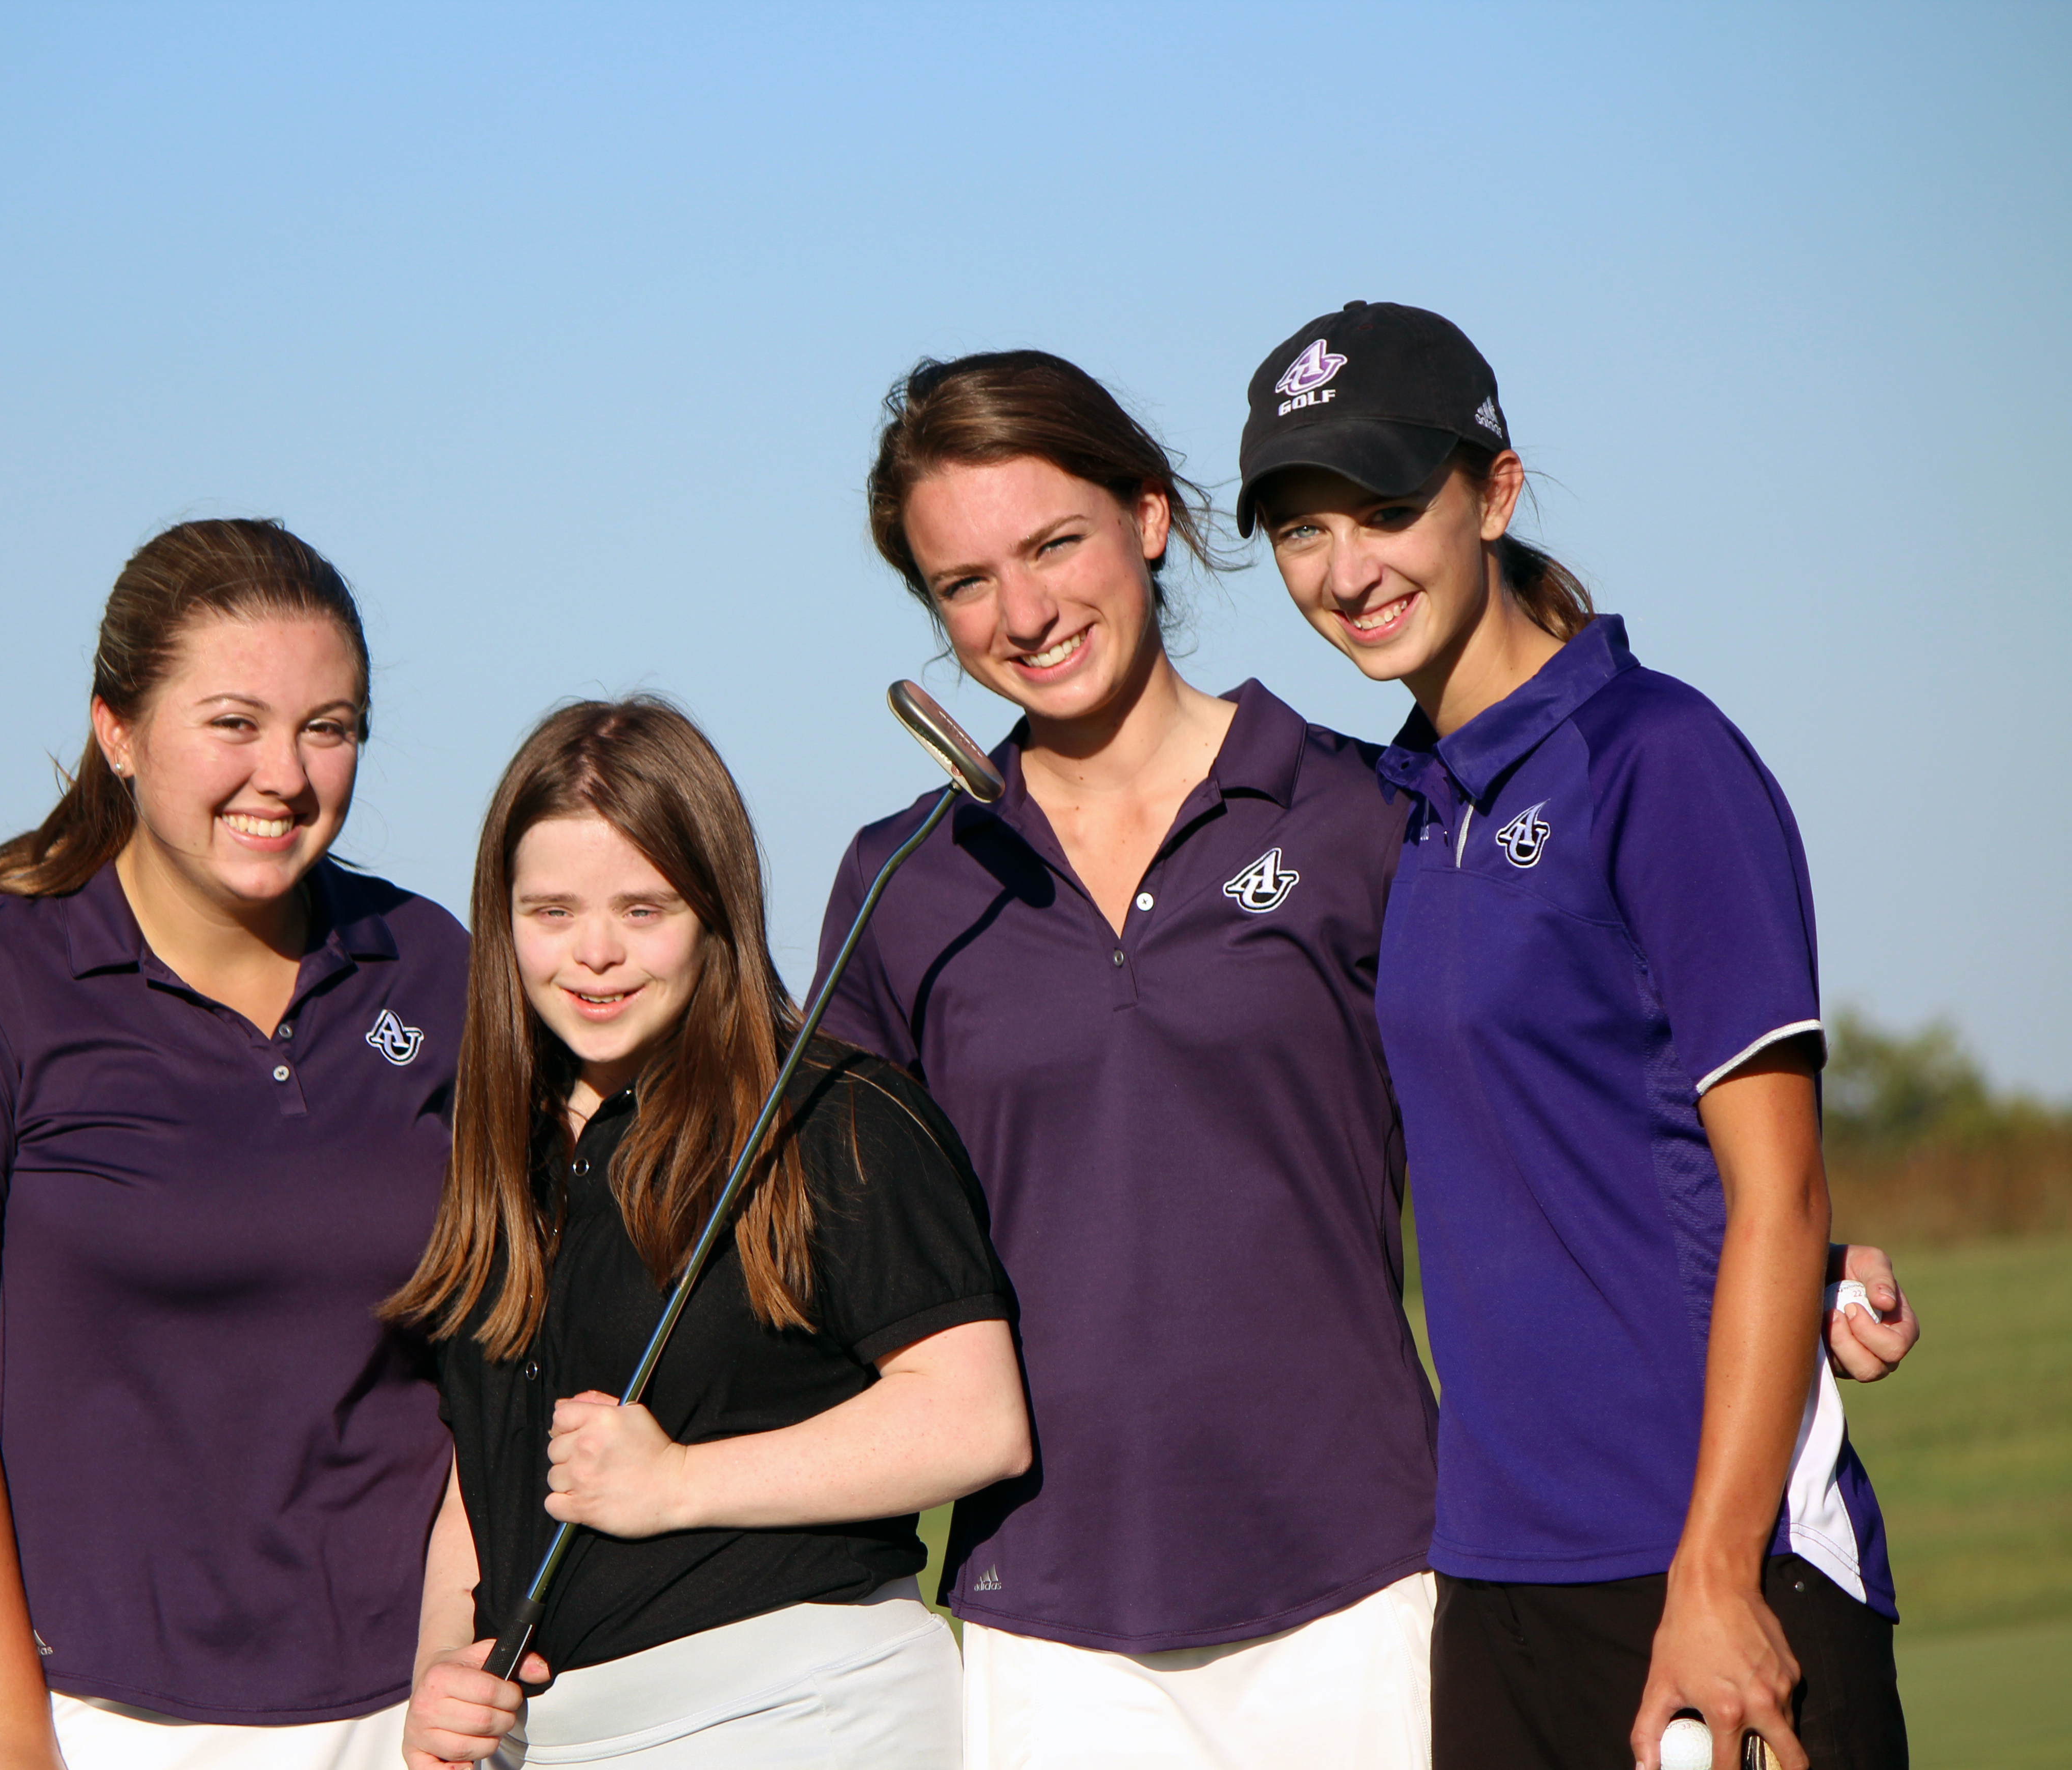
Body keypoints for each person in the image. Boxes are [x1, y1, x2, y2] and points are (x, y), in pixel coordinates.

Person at [816, 350, 1920, 1770]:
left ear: (1152, 519)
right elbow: (837, 1252)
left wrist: (1807, 1257)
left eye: (1053, 544)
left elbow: (1570, 1074)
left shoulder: (1370, 808)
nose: (1023, 612)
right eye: (964, 583)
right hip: (1051, 1615)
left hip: (1369, 1583)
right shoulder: (906, 881)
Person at [1239, 300, 1911, 1770]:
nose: (1346, 573)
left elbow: (1776, 1193)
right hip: (1491, 1578)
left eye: (1387, 509)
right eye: (1299, 531)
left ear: (1496, 490)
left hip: (1711, 1564)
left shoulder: (1660, 759)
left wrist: (1719, 1574)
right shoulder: (1403, 812)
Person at [0, 519, 465, 1770]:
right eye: (234, 722)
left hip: (419, 1712)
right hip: (112, 1721)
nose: (284, 772)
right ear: (118, 731)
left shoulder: (434, 967)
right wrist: (5, 1728)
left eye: (329, 727)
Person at [384, 698, 1031, 1768]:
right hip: (545, 1742)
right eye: (551, 912)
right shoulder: (489, 1153)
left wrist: (680, 1482)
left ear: (717, 911)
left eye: (645, 910)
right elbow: (486, 1465)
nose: (595, 955)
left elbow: (975, 1420)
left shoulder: (835, 1116)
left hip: (805, 1714)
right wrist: (440, 1668)